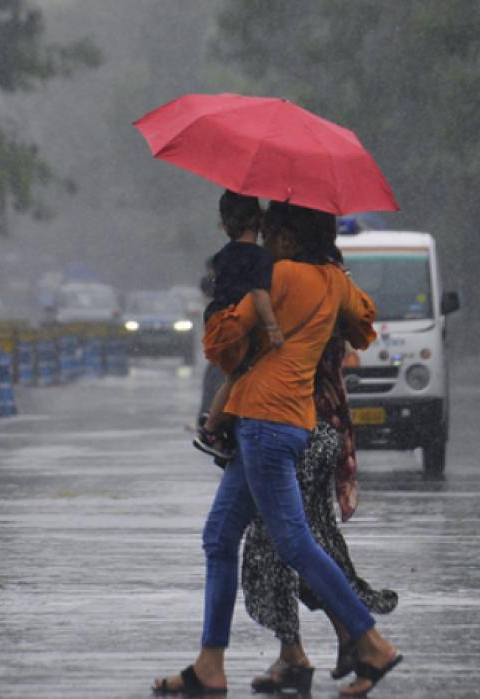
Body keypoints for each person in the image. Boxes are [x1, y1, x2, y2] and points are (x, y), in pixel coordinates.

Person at [152, 202, 402, 698]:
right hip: (289, 420)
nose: (264, 241)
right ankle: (209, 664)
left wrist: (226, 299)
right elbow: (365, 325)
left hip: (264, 421)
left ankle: (370, 640)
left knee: (294, 542)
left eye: (270, 233)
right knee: (220, 538)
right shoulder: (334, 281)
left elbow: (221, 341)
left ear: (287, 238)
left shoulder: (279, 274)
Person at [243, 330, 398, 693]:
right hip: (324, 427)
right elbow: (362, 324)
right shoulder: (330, 290)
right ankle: (320, 646)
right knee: (304, 544)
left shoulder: (289, 299)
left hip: (298, 430)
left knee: (281, 546)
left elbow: (241, 354)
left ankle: (358, 640)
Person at [193, 190, 283, 461]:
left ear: (225, 223)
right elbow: (258, 292)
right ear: (259, 220)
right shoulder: (259, 258)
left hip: (216, 323)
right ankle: (211, 429)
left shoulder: (222, 256)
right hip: (235, 326)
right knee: (241, 376)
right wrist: (272, 327)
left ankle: (219, 425)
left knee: (233, 376)